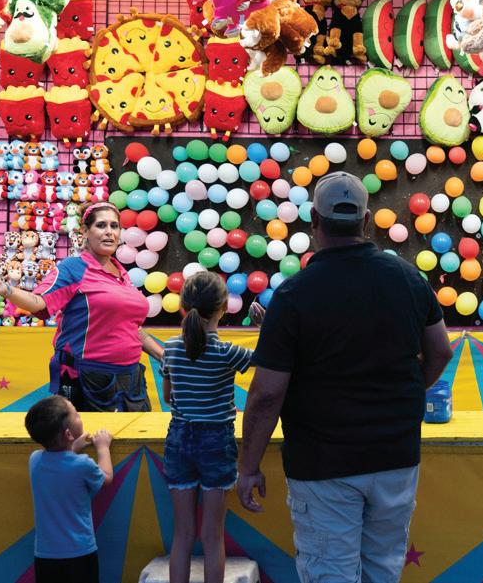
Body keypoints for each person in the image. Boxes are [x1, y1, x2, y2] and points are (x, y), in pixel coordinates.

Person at [238, 170, 453, 583]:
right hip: (395, 458)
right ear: (366, 220)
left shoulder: (293, 295)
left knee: (330, 574)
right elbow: (440, 351)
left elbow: (267, 393)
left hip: (323, 465)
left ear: (314, 220)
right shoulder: (409, 278)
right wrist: (405, 395)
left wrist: (249, 466)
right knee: (382, 572)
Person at [0, 202, 163, 411]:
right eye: (101, 225)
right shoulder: (73, 268)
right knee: (92, 433)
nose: (109, 232)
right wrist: (7, 290)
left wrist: (163, 356)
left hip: (131, 379)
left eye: (114, 226)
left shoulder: (122, 273)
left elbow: (131, 327)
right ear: (85, 231)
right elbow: (39, 303)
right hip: (88, 379)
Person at [161, 270, 253, 583]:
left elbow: (168, 397)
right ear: (224, 307)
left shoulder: (172, 348)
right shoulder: (228, 352)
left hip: (179, 438)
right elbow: (270, 358)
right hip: (216, 441)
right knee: (212, 536)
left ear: (183, 307)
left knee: (183, 535)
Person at [25, 395, 113, 583]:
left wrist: (72, 446)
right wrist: (103, 448)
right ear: (68, 434)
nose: (79, 415)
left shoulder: (34, 460)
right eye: (77, 414)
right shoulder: (82, 464)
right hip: (79, 552)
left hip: (45, 555)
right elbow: (106, 477)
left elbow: (59, 463)